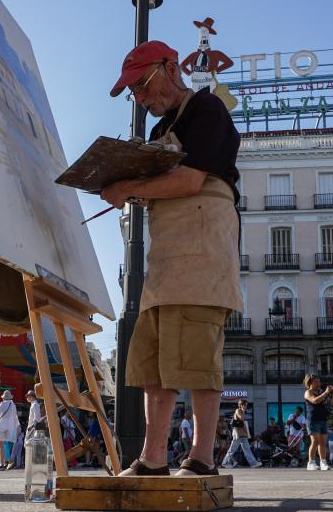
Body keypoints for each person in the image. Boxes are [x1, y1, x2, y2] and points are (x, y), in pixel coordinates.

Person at [101, 40, 242, 478]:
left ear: (170, 67)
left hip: (200, 246)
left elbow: (191, 179)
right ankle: (153, 457)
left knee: (198, 355)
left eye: (142, 85)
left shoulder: (206, 109)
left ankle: (202, 459)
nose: (141, 98)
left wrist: (126, 189)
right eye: (134, 92)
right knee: (152, 359)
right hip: (168, 252)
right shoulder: (161, 134)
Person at [303, 374, 333, 471]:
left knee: (323, 442)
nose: (319, 383)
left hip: (323, 419)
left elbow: (330, 403)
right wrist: (326, 392)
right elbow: (315, 401)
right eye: (316, 381)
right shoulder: (308, 392)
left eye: (319, 381)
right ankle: (311, 463)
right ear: (310, 383)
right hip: (313, 420)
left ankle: (323, 462)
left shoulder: (321, 392)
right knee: (315, 441)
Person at [221, 399, 262, 469]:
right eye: (245, 405)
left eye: (246, 405)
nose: (246, 406)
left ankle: (253, 463)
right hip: (238, 433)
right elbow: (241, 418)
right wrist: (242, 411)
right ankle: (225, 462)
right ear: (241, 405)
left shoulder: (242, 411)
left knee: (247, 449)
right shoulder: (238, 410)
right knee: (233, 449)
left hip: (242, 434)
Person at [0, 390, 19, 470]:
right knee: (5, 445)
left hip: (1, 427)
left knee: (0, 445)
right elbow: (15, 417)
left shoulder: (2, 404)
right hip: (10, 428)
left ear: (3, 397)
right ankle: (6, 462)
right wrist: (15, 427)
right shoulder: (13, 405)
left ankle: (2, 464)